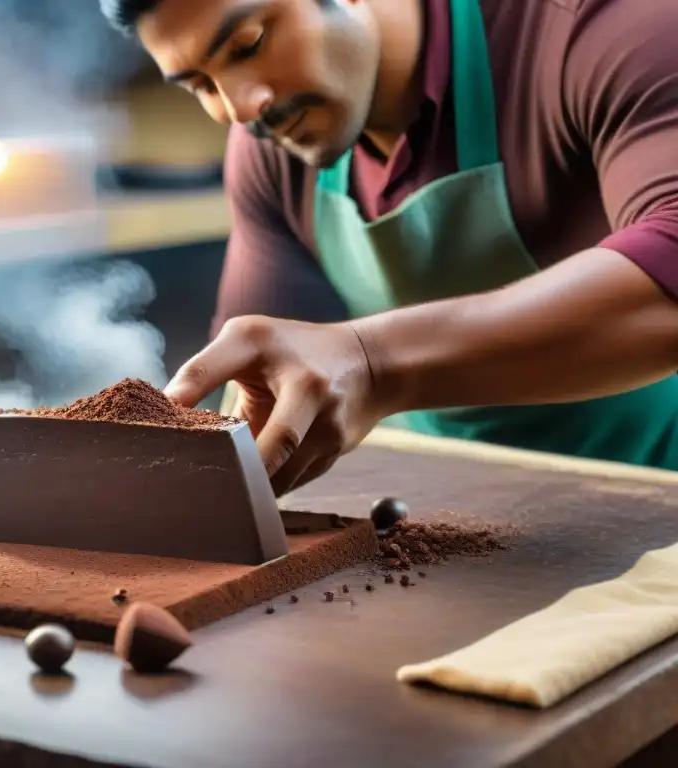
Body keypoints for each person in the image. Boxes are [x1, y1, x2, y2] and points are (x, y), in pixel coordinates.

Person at [98, 0, 678, 493]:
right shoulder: (273, 154)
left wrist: (376, 366)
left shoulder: (598, 29)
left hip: (658, 505)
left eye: (249, 44)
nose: (242, 108)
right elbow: (266, 392)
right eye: (201, 84)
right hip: (469, 522)